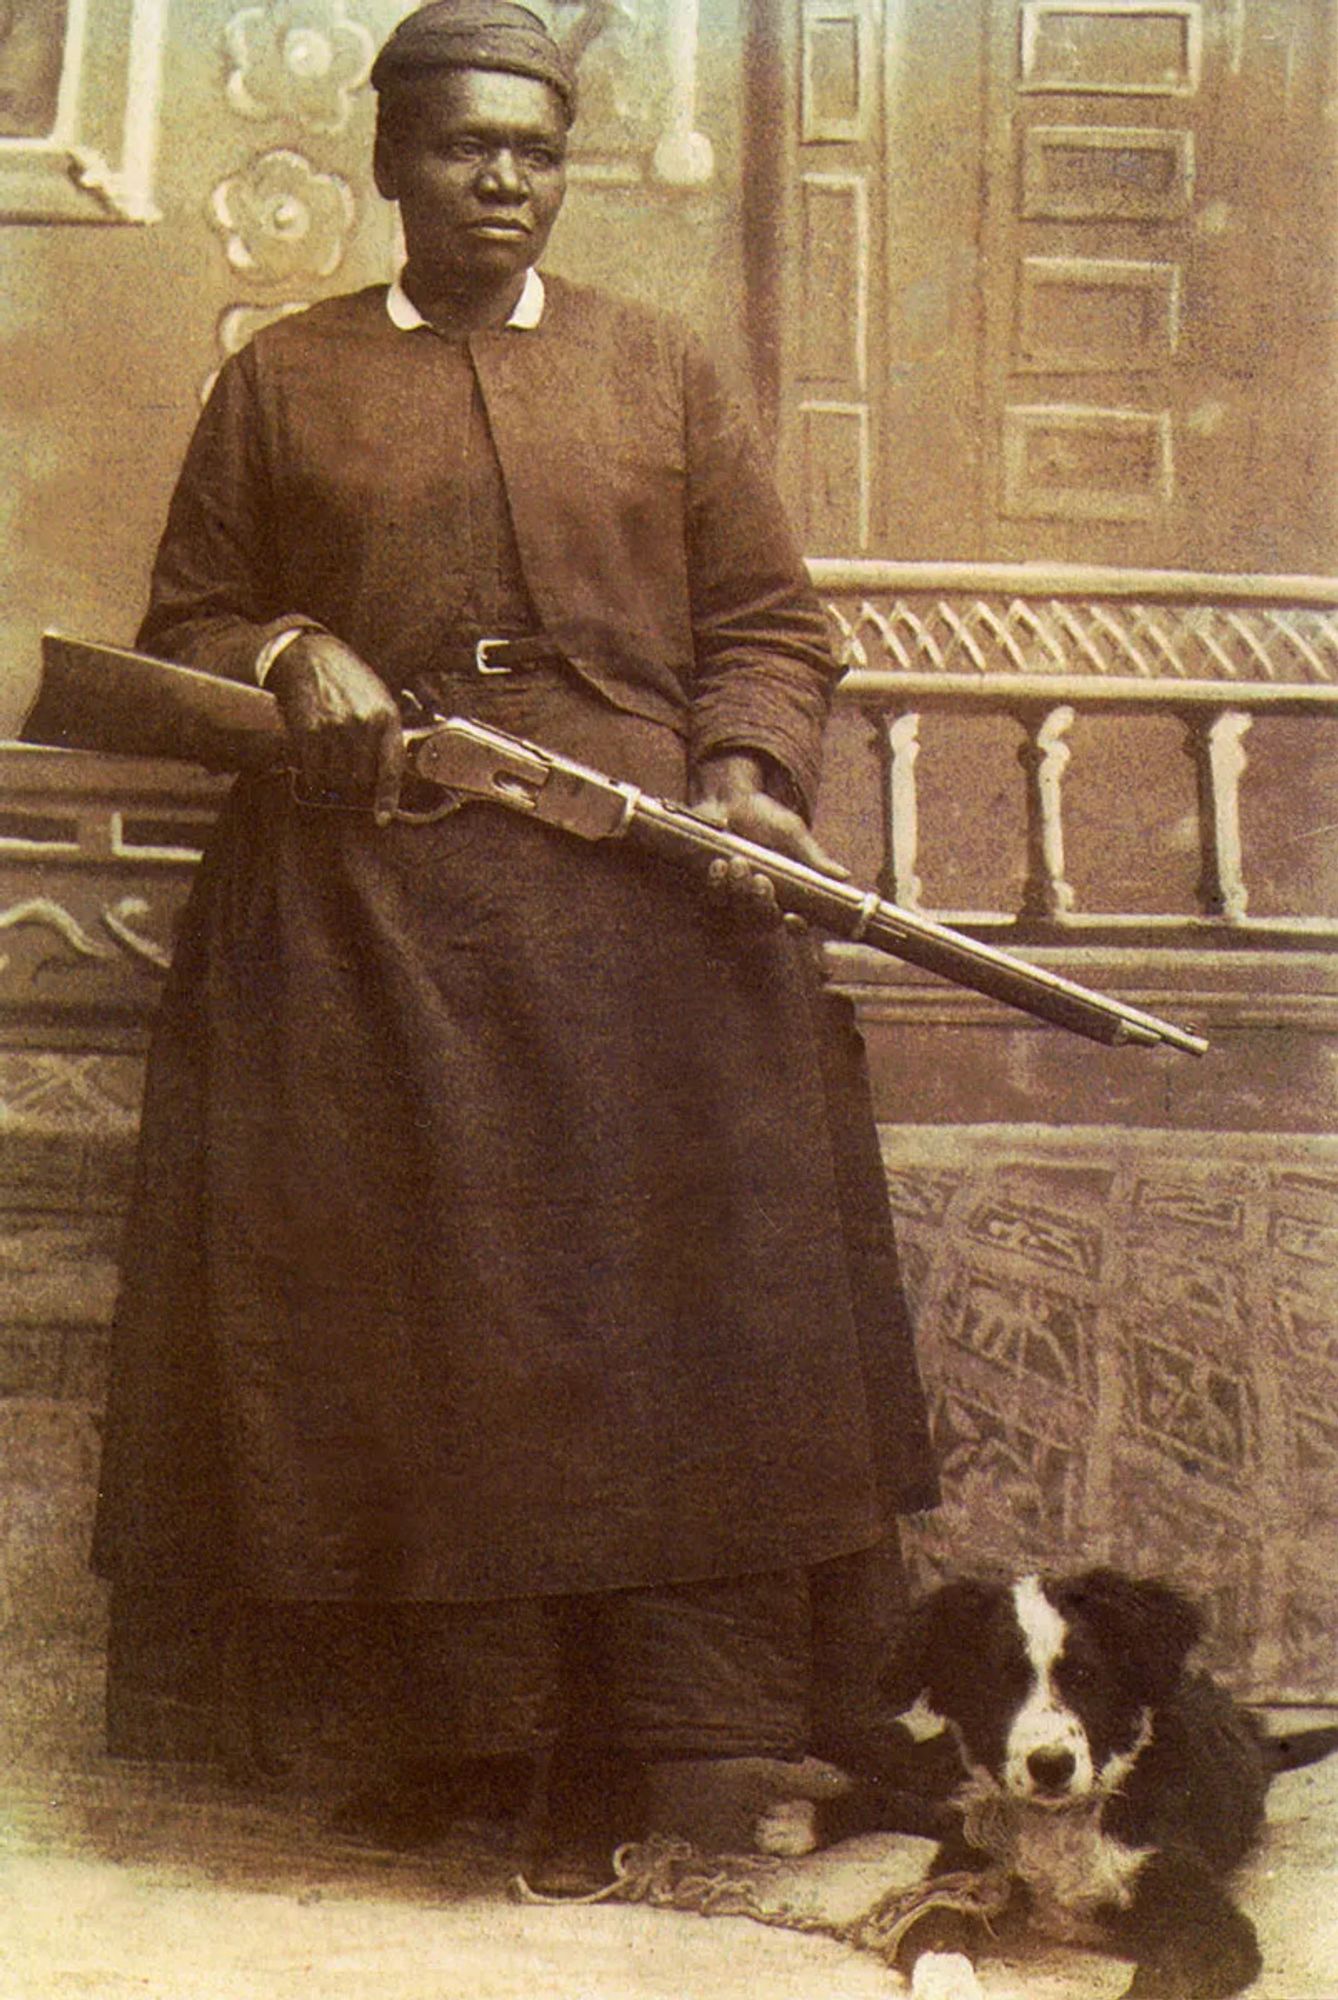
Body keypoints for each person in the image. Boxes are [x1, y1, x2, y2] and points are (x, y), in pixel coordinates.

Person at [91, 0, 940, 1883]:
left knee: (687, 1312)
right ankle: (471, 1757)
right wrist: (285, 651)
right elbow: (191, 623)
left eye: (534, 151)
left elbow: (773, 626)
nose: (502, 180)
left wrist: (743, 772)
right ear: (390, 160)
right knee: (434, 1315)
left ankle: (692, 1746)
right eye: (466, 146)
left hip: (650, 909)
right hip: (369, 914)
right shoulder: (286, 379)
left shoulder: (658, 371)